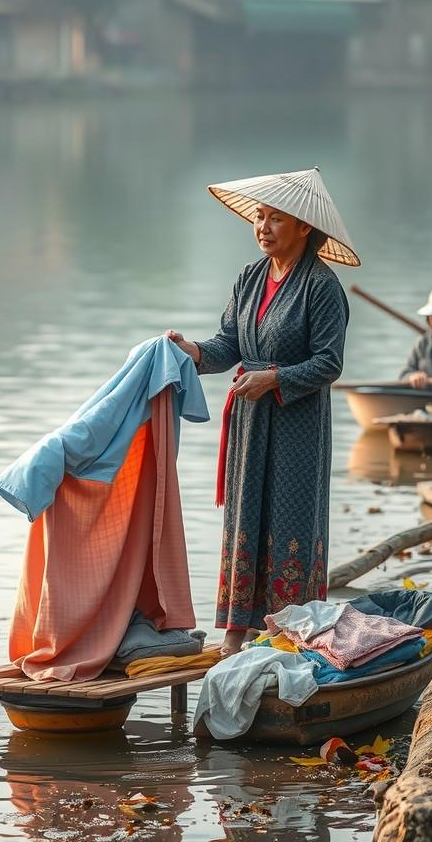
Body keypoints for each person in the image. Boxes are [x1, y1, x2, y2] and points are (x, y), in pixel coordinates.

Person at [166, 168, 359, 655]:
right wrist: (193, 351)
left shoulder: (322, 286)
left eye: (276, 219)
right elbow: (229, 343)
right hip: (251, 420)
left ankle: (288, 632)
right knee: (245, 516)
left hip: (297, 422)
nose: (263, 227)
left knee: (291, 519)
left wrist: (275, 378)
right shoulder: (249, 277)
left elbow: (329, 363)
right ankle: (235, 631)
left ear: (304, 229)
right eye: (259, 216)